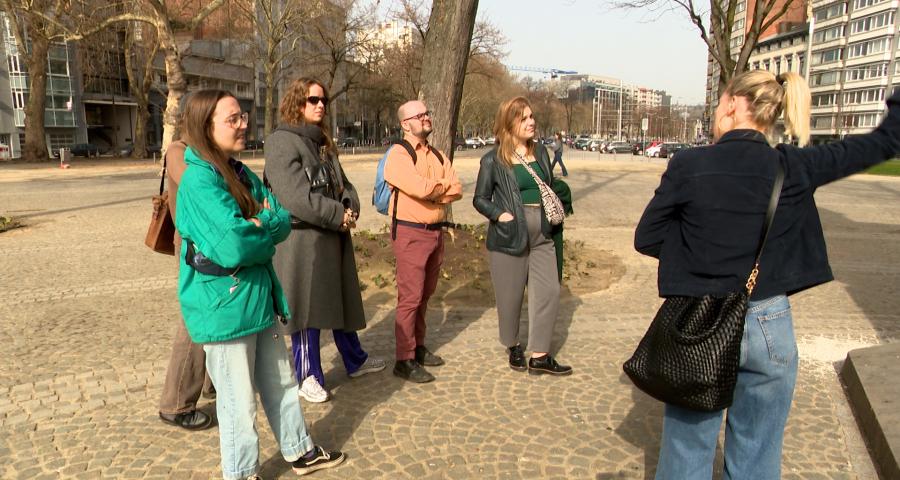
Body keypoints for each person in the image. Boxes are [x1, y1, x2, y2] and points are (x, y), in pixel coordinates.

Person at [634, 70, 900, 480]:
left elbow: (647, 236)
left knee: (687, 454)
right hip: (769, 320)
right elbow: (886, 141)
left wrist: (696, 252)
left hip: (698, 320)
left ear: (735, 104)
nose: (717, 112)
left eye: (720, 103)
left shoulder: (689, 164)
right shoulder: (795, 165)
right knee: (757, 455)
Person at [174, 89, 344, 479]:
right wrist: (257, 226)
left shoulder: (239, 172)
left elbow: (281, 218)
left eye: (243, 117)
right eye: (232, 119)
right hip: (224, 309)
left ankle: (299, 449)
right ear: (206, 126)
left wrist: (259, 224)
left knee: (283, 383)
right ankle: (241, 471)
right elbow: (232, 245)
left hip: (258, 298)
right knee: (237, 403)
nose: (243, 125)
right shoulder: (200, 182)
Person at [266, 77, 385, 403]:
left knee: (341, 301)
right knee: (307, 310)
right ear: (297, 103)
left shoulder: (321, 141)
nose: (320, 105)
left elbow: (342, 183)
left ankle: (354, 359)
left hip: (331, 234)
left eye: (323, 100)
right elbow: (295, 196)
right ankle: (307, 374)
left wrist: (350, 207)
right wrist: (338, 215)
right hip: (302, 241)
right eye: (312, 100)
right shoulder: (281, 142)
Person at [473, 96, 573, 377]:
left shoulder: (540, 152)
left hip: (543, 231)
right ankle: (513, 344)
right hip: (509, 235)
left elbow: (548, 185)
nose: (531, 122)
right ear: (509, 123)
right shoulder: (492, 159)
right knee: (510, 297)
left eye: (532, 117)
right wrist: (499, 215)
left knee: (549, 291)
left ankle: (540, 355)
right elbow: (480, 198)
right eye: (524, 118)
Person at [383, 100, 462, 383]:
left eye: (428, 113)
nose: (427, 118)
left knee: (425, 295)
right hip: (410, 233)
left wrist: (433, 191)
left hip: (435, 232)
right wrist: (438, 189)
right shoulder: (398, 154)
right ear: (406, 124)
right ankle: (403, 359)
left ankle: (417, 347)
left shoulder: (437, 155)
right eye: (421, 115)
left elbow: (457, 187)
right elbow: (418, 187)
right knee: (410, 297)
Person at [157, 139, 215, 431]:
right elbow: (197, 185)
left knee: (212, 312)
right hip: (195, 246)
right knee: (195, 318)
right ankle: (176, 402)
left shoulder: (205, 148)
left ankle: (210, 381)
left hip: (212, 244)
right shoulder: (180, 150)